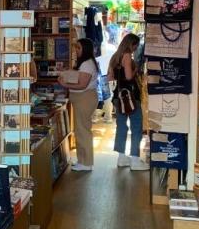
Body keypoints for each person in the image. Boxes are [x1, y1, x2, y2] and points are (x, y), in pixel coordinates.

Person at [59, 38, 101, 172]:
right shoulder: (86, 63)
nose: (76, 50)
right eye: (76, 47)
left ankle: (86, 162)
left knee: (83, 131)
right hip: (84, 98)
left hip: (84, 98)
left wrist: (64, 84)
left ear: (85, 49)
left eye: (78, 48)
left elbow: (82, 84)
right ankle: (83, 160)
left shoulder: (87, 64)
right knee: (81, 129)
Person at [108, 33, 149, 170]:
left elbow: (110, 77)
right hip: (130, 97)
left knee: (121, 126)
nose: (135, 49)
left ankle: (121, 158)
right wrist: (136, 67)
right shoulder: (127, 56)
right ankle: (135, 160)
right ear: (131, 44)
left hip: (118, 97)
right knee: (136, 127)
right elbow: (129, 76)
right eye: (135, 46)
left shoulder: (115, 57)